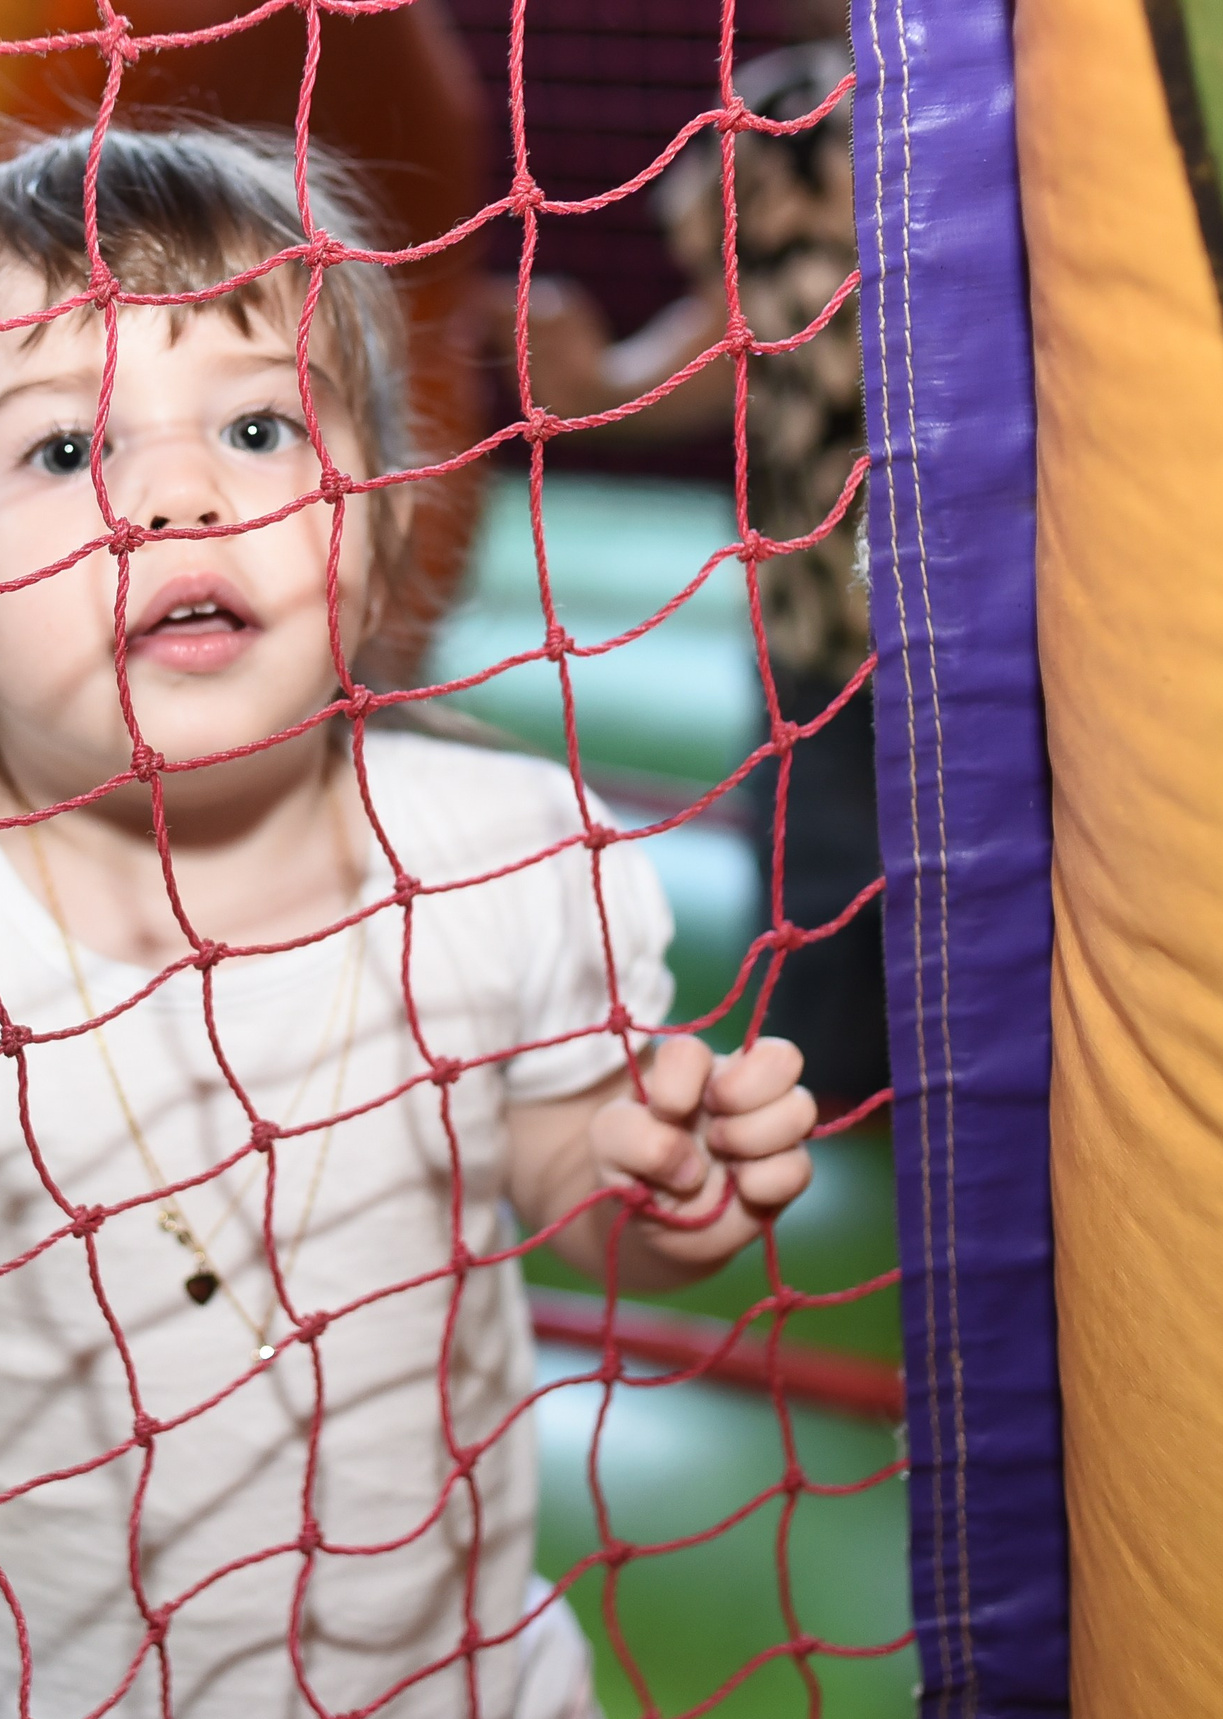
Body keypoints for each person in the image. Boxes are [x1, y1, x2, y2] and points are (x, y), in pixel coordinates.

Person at [0, 125, 820, 1719]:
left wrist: (649, 1175)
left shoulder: (507, 852)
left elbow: (550, 1162)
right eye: (69, 445)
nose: (177, 492)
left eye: (255, 425)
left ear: (375, 537)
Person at [499, 39, 886, 1108]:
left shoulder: (1017, 110)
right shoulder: (784, 118)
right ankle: (829, 1083)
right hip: (826, 608)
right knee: (824, 847)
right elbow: (738, 338)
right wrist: (596, 386)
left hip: (969, 614)